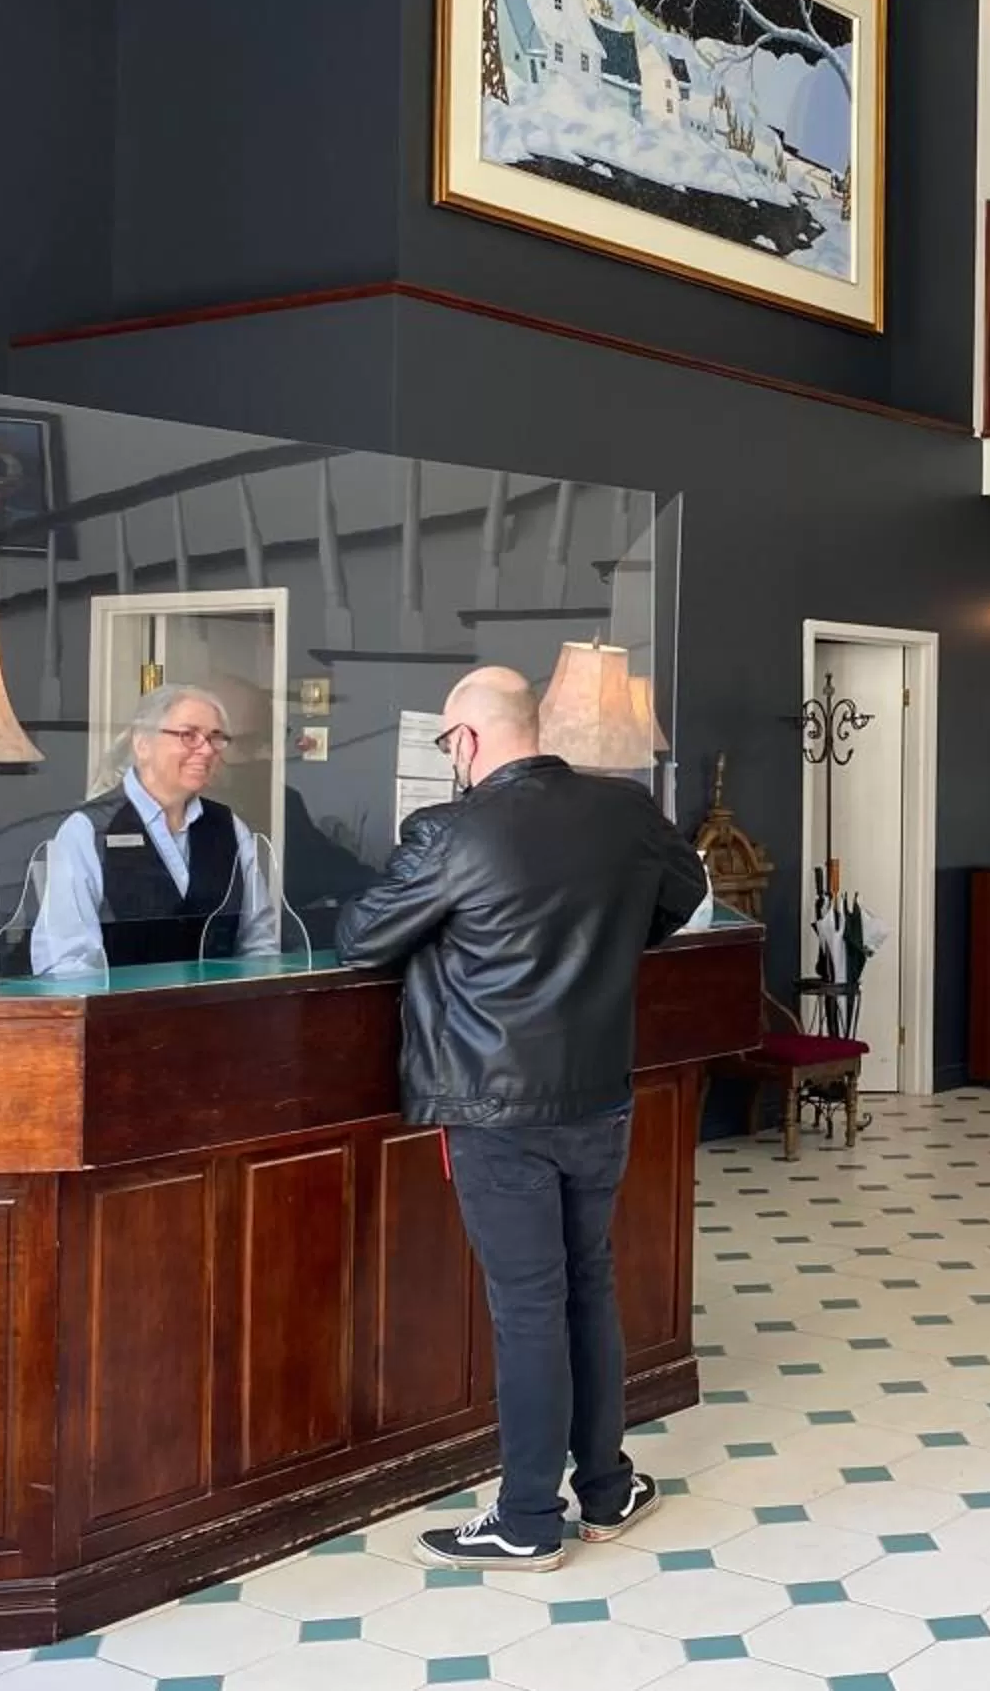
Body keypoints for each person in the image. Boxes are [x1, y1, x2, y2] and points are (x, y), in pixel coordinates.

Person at [336, 665, 709, 1571]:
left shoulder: (449, 831)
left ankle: (528, 1518)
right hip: (599, 1096)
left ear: (464, 740)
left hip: (494, 1105)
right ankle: (608, 1490)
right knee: (589, 1285)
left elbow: (360, 939)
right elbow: (684, 890)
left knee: (529, 1306)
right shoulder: (623, 811)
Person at [29, 684, 280, 975]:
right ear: (142, 744)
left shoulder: (230, 827)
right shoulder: (88, 830)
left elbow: (258, 943)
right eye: (189, 735)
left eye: (215, 738)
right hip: (124, 1015)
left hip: (216, 1013)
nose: (207, 749)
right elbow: (66, 960)